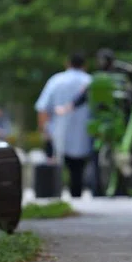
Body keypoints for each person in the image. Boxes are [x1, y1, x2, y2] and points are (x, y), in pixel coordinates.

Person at [34, 53, 93, 198]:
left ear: (67, 63)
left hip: (58, 134)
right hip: (84, 135)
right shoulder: (90, 81)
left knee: (55, 169)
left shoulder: (56, 80)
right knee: (77, 172)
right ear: (85, 66)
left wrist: (44, 130)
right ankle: (76, 198)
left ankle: (54, 197)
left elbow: (42, 108)